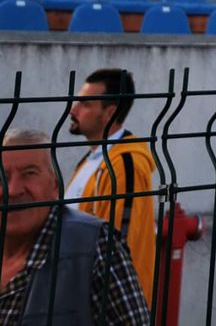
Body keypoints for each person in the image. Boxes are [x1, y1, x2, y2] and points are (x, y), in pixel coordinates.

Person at [0, 129, 149, 325]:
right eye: (0, 178)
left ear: (54, 186)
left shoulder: (97, 247)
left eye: (29, 174)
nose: (13, 190)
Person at [66, 68, 157, 305]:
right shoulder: (92, 160)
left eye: (85, 104)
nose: (73, 110)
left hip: (107, 306)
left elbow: (117, 249)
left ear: (110, 113)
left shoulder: (126, 164)